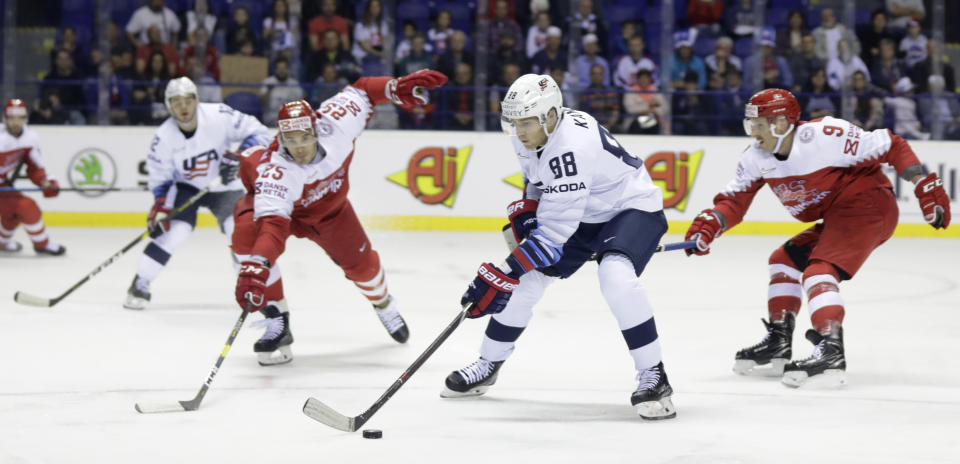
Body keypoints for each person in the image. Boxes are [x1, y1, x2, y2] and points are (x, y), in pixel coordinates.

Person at [441, 74, 677, 420]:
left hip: (631, 207)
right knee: (526, 282)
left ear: (550, 116)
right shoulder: (532, 132)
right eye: (514, 122)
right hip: (583, 212)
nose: (519, 131)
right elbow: (537, 178)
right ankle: (488, 363)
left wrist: (501, 273)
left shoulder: (571, 148)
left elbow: (551, 239)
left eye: (526, 122)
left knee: (614, 275)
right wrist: (530, 207)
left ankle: (654, 374)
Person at [683, 88, 950, 388]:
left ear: (781, 123)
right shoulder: (756, 158)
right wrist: (711, 225)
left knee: (819, 271)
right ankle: (779, 341)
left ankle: (830, 349)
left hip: (868, 204)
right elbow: (733, 201)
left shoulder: (825, 136)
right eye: (751, 124)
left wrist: (924, 183)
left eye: (758, 124)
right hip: (839, 214)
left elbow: (891, 144)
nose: (753, 132)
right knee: (783, 261)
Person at [228, 70, 448, 365]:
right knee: (245, 235)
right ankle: (276, 318)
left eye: (305, 137)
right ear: (280, 139)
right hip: (284, 213)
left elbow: (365, 89)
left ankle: (383, 304)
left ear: (317, 129)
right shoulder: (276, 170)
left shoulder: (338, 122)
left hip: (330, 213)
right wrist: (257, 267)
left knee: (364, 269)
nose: (300, 147)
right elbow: (273, 229)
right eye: (290, 140)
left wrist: (393, 88)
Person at [123, 77, 271, 310]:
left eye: (188, 100)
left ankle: (250, 284)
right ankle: (141, 282)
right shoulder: (164, 136)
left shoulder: (219, 115)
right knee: (176, 232)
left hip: (222, 184)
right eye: (176, 102)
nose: (183, 107)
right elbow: (160, 177)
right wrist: (160, 208)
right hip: (186, 188)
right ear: (168, 105)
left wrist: (239, 157)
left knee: (239, 228)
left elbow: (260, 132)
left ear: (197, 101)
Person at [0, 99, 64, 255]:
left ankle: (2, 242)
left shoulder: (30, 138)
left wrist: (46, 182)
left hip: (2, 184)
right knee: (26, 207)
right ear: (5, 119)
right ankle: (42, 244)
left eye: (19, 118)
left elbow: (35, 167)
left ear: (25, 118)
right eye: (11, 118)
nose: (16, 122)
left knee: (15, 212)